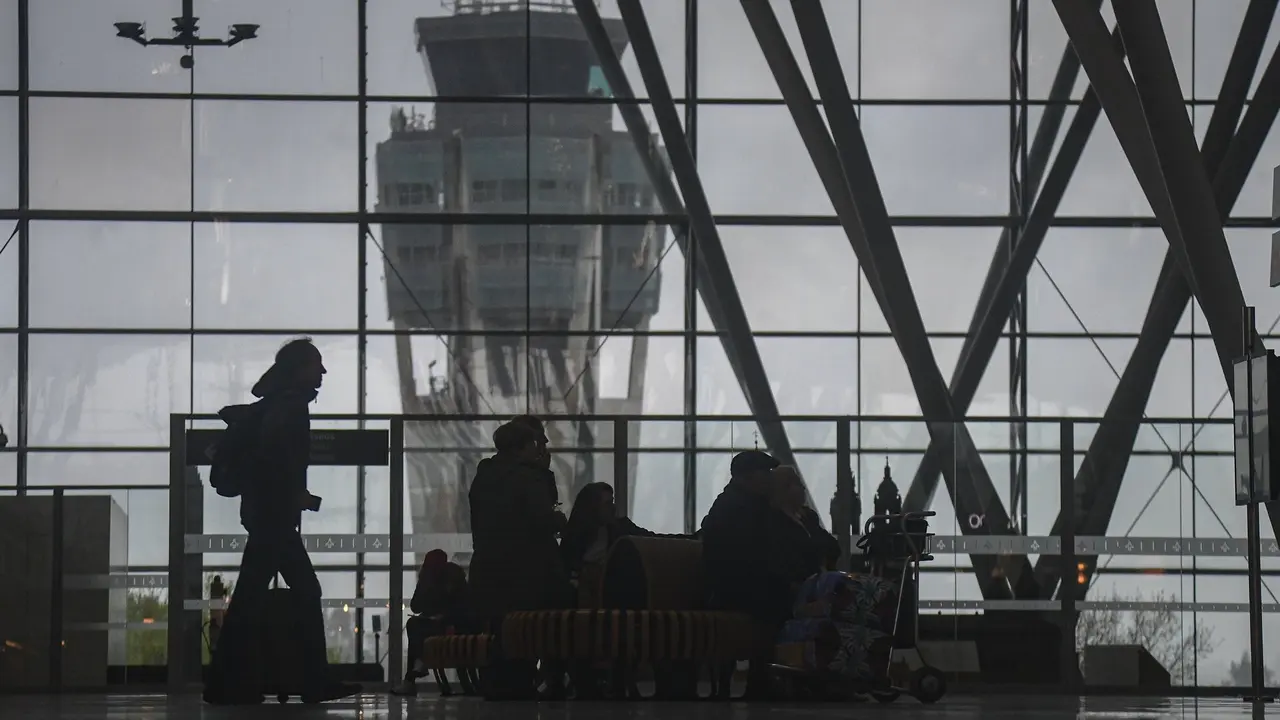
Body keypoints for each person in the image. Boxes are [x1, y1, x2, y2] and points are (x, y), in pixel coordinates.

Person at [204, 337, 357, 706]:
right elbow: (275, 459)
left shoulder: (275, 404)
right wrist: (294, 495)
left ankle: (228, 684)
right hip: (273, 517)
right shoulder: (290, 407)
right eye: (314, 365)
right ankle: (311, 682)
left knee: (252, 599)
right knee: (302, 592)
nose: (321, 372)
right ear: (297, 369)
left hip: (265, 515)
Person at [467, 420, 570, 699]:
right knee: (534, 626)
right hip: (525, 569)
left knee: (500, 628)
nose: (538, 449)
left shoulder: (484, 475)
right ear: (522, 447)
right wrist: (557, 516)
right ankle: (540, 681)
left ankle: (499, 685)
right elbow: (542, 518)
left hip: (488, 567)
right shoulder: (528, 477)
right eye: (534, 444)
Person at [699, 450, 790, 699]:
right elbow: (744, 556)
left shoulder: (743, 504)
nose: (770, 479)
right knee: (780, 602)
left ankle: (763, 678)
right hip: (731, 588)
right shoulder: (738, 508)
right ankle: (761, 679)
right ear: (745, 477)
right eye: (765, 473)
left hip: (736, 584)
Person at [394, 550, 477, 696]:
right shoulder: (427, 579)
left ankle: (413, 676)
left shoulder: (453, 577)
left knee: (415, 629)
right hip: (434, 624)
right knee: (413, 624)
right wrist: (425, 589)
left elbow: (462, 606)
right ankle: (418, 666)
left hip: (453, 625)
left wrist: (442, 613)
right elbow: (415, 606)